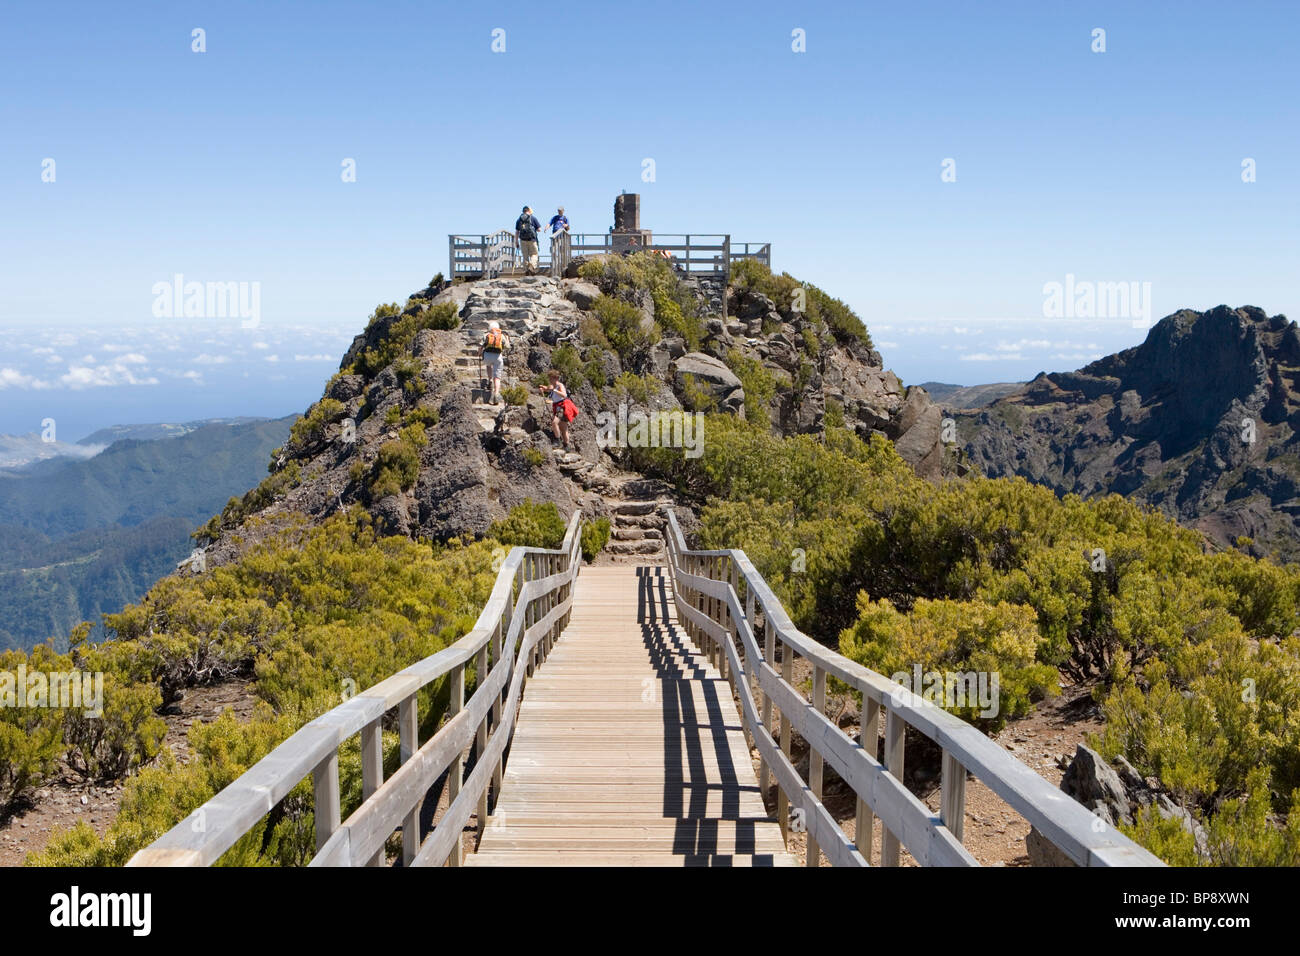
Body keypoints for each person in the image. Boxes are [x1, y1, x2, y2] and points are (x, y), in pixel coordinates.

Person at [537, 369, 574, 450]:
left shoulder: (560, 385)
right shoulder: (552, 386)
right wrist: (543, 389)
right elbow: (548, 389)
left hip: (562, 406)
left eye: (551, 378)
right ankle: (566, 445)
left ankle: (557, 441)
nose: (550, 380)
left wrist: (554, 390)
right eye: (549, 378)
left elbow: (564, 395)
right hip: (558, 407)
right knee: (563, 427)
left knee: (554, 422)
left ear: (556, 378)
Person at [479, 320, 510, 405]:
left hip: (487, 356)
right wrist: (507, 339)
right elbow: (507, 347)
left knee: (488, 365)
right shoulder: (501, 336)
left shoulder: (486, 335)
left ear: (490, 328)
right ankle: (496, 393)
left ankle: (489, 380)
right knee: (497, 376)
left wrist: (479, 353)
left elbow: (481, 346)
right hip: (498, 357)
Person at [515, 205, 542, 275]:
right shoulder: (532, 218)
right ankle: (532, 266)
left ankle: (526, 270)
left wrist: (516, 242)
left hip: (522, 240)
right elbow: (539, 229)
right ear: (529, 211)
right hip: (532, 239)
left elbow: (517, 232)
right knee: (534, 254)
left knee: (525, 256)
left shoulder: (519, 220)